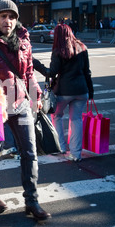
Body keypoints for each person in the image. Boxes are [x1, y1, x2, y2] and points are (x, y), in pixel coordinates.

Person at [0, 0, 50, 221]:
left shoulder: (24, 41)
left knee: (29, 151)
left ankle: (32, 200)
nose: (8, 20)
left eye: (12, 16)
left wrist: (35, 95)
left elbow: (28, 73)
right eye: (3, 16)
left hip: (21, 104)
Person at [35, 24, 94, 162]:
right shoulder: (82, 47)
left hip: (64, 91)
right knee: (76, 120)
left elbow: (51, 72)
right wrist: (90, 91)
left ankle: (60, 146)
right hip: (81, 90)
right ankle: (76, 153)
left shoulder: (58, 50)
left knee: (56, 116)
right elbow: (87, 72)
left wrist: (37, 64)